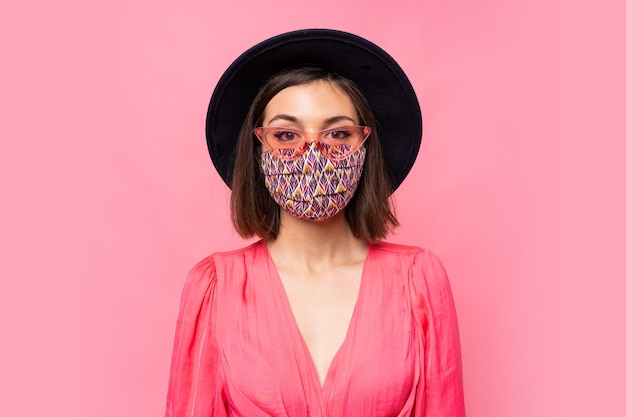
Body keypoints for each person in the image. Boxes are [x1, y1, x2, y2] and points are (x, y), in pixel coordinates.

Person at [166, 29, 465, 417]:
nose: (312, 153)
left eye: (337, 133)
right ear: (257, 151)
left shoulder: (419, 279)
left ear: (365, 147)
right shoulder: (214, 286)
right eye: (287, 134)